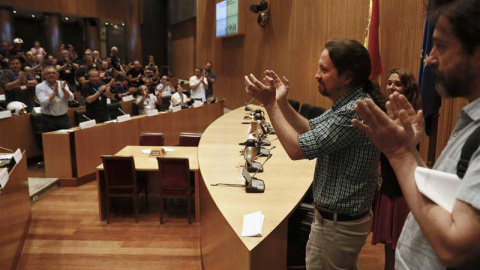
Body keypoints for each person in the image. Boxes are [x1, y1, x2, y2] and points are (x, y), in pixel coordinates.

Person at [352, 0, 480, 268]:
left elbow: (455, 249)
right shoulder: (471, 120)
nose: (430, 58)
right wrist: (408, 151)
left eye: (441, 45)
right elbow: (445, 204)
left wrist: (400, 154)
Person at [245, 39, 383, 269]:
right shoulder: (348, 103)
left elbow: (296, 149)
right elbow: (310, 129)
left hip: (337, 227)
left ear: (347, 77)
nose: (317, 74)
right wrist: (280, 101)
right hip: (341, 223)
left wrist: (269, 105)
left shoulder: (354, 111)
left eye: (324, 69)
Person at [370, 68, 422, 270]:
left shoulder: (411, 114)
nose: (391, 86)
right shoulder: (383, 109)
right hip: (386, 183)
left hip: (402, 186)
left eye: (397, 84)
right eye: (389, 83)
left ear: (407, 88)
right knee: (388, 244)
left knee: (400, 241)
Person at [35, 66, 74, 131]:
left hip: (63, 118)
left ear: (57, 75)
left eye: (53, 73)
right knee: (52, 140)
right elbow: (43, 103)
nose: (51, 75)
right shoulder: (40, 86)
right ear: (44, 75)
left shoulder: (62, 84)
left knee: (67, 139)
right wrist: (55, 92)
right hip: (49, 120)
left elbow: (71, 98)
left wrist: (64, 89)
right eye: (48, 73)